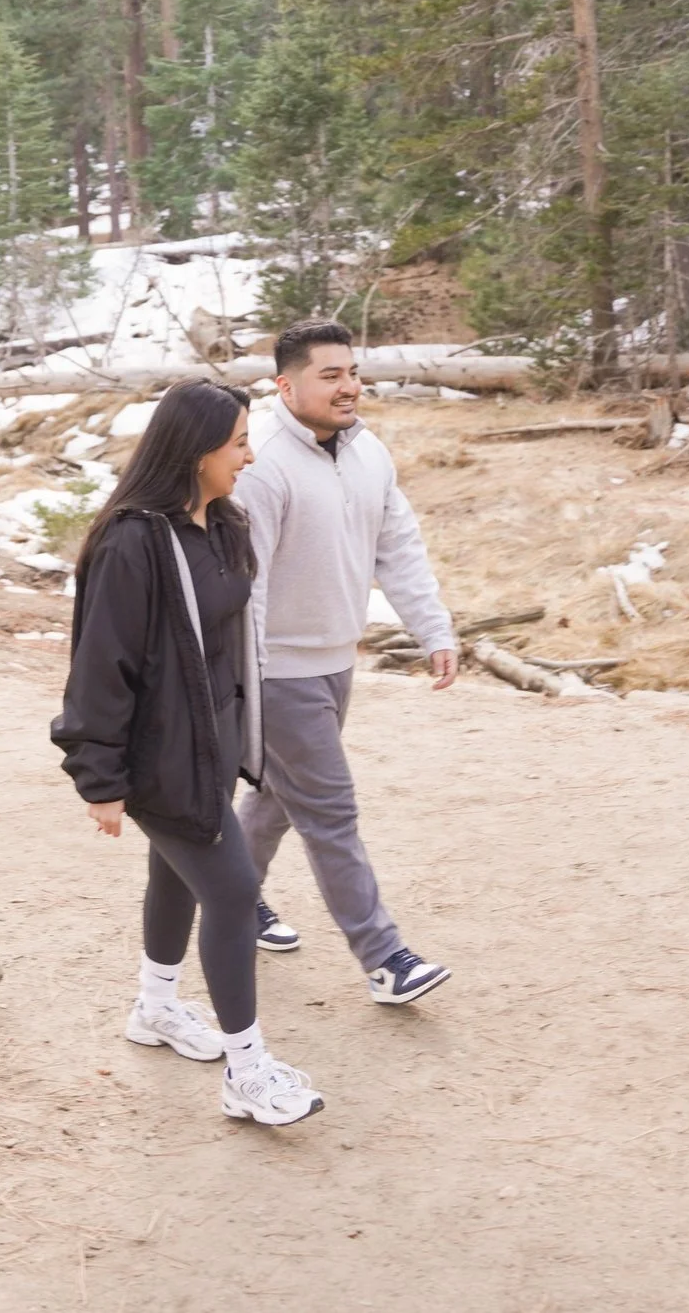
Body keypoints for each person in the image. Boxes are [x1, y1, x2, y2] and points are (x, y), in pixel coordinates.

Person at [51, 379, 325, 1127]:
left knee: (175, 876)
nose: (248, 454)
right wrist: (99, 778)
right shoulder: (132, 541)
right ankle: (247, 1070)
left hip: (209, 747)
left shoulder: (223, 525)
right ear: (195, 449)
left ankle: (156, 1007)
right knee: (234, 893)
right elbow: (100, 667)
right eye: (237, 441)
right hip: (160, 759)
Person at [235, 319, 459, 1006]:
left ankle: (231, 900)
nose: (349, 386)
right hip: (279, 670)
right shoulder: (261, 461)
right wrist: (250, 677)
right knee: (330, 808)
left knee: (277, 795)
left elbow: (400, 545)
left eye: (352, 372)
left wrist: (433, 628)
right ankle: (384, 954)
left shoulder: (369, 454)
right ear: (286, 384)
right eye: (329, 375)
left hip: (336, 660)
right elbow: (251, 583)